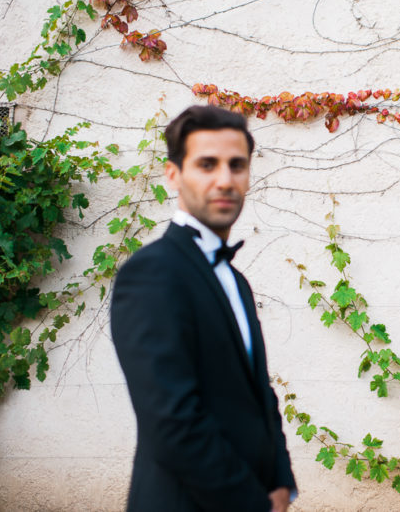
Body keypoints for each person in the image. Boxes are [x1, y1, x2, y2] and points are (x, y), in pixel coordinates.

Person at [110, 105, 296, 512]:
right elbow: (171, 420)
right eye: (207, 164)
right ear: (173, 174)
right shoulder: (151, 273)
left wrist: (282, 483)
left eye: (237, 165)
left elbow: (259, 393)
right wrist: (255, 505)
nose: (225, 180)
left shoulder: (236, 280)